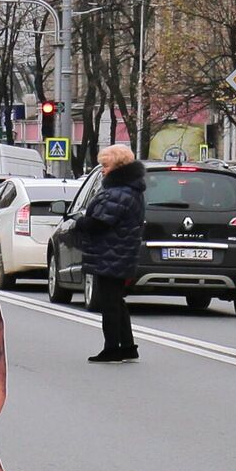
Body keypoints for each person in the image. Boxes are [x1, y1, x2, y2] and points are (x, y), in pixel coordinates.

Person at [71, 144, 145, 363]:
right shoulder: (130, 189)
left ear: (118, 166)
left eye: (105, 165)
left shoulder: (119, 192)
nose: (102, 170)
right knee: (116, 300)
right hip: (118, 251)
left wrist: (81, 222)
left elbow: (100, 222)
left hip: (112, 252)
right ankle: (128, 346)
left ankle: (112, 348)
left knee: (110, 303)